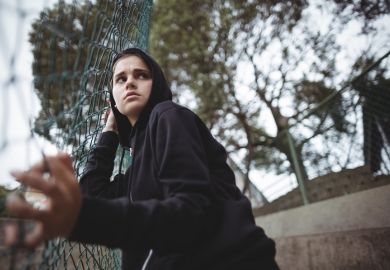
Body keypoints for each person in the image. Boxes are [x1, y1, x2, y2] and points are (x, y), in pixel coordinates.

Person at [5, 47, 279, 270]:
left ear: (155, 82)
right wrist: (109, 131)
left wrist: (84, 218)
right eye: (120, 79)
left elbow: (191, 213)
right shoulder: (138, 169)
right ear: (112, 95)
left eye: (141, 75)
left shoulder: (168, 115)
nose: (130, 82)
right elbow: (91, 193)